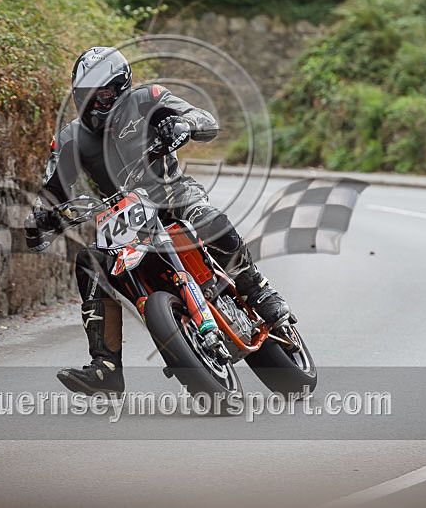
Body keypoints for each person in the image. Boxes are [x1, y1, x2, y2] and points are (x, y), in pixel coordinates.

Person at [25, 47, 290, 395]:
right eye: (88, 97)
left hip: (172, 194)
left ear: (121, 88)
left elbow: (205, 120)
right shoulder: (70, 138)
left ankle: (258, 290)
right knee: (89, 262)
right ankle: (105, 367)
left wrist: (183, 124)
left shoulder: (148, 98)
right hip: (121, 217)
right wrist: (40, 217)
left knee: (210, 220)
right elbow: (52, 188)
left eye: (104, 95)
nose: (96, 104)